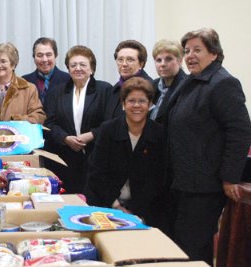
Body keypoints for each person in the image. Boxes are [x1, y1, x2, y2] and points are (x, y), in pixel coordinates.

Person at [165, 28, 251, 265]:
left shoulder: (223, 83)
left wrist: (229, 177)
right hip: (184, 181)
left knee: (193, 246)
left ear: (214, 54)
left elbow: (240, 131)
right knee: (183, 243)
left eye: (197, 50)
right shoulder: (192, 81)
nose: (190, 55)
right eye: (187, 51)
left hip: (205, 184)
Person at [85, 77, 167, 230]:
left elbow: (157, 180)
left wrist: (135, 213)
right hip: (106, 203)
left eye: (142, 101)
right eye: (131, 101)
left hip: (145, 208)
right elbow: (97, 173)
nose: (136, 105)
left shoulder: (159, 134)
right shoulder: (108, 130)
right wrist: (117, 207)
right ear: (123, 104)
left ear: (150, 105)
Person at [43, 45, 112, 194]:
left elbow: (112, 123)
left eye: (83, 64)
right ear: (68, 69)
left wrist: (91, 135)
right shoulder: (57, 92)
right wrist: (65, 138)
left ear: (92, 68)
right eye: (73, 65)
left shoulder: (105, 90)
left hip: (96, 158)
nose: (78, 68)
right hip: (65, 159)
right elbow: (49, 123)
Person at [105, 40, 154, 120]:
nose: (124, 64)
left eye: (130, 60)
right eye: (120, 59)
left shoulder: (150, 88)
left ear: (141, 64)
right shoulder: (115, 89)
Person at [23, 37, 71, 104]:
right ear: (34, 57)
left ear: (56, 56)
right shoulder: (24, 82)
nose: (44, 59)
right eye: (40, 55)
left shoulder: (68, 80)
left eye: (48, 55)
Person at [149, 39, 187, 122]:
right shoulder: (153, 85)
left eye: (168, 59)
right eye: (158, 60)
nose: (162, 64)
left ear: (180, 61)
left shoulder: (187, 86)